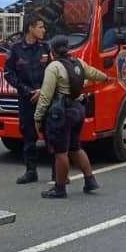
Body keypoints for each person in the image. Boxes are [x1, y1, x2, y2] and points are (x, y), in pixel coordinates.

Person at [34, 36, 112, 200]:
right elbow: (92, 72)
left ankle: (59, 188)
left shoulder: (54, 67)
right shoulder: (77, 63)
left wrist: (38, 116)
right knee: (75, 147)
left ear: (52, 51)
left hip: (61, 113)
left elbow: (46, 95)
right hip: (78, 109)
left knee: (60, 151)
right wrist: (106, 78)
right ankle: (89, 180)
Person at [2, 14, 50, 184]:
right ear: (31, 28)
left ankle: (57, 173)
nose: (43, 30)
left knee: (51, 133)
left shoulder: (45, 47)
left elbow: (54, 71)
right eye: (40, 27)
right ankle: (31, 171)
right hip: (26, 99)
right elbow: (8, 74)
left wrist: (43, 91)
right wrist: (28, 91)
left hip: (45, 97)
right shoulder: (16, 49)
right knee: (29, 135)